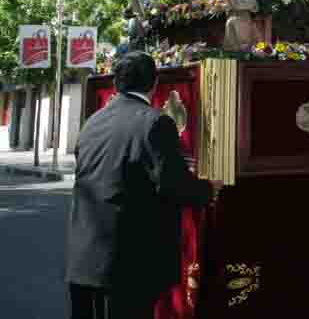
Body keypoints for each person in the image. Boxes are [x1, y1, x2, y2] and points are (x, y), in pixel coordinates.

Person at [66, 52, 221, 319]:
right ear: (154, 83)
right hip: (127, 263)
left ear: (116, 82)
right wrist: (209, 189)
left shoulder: (93, 121)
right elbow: (172, 185)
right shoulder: (155, 122)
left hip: (83, 258)